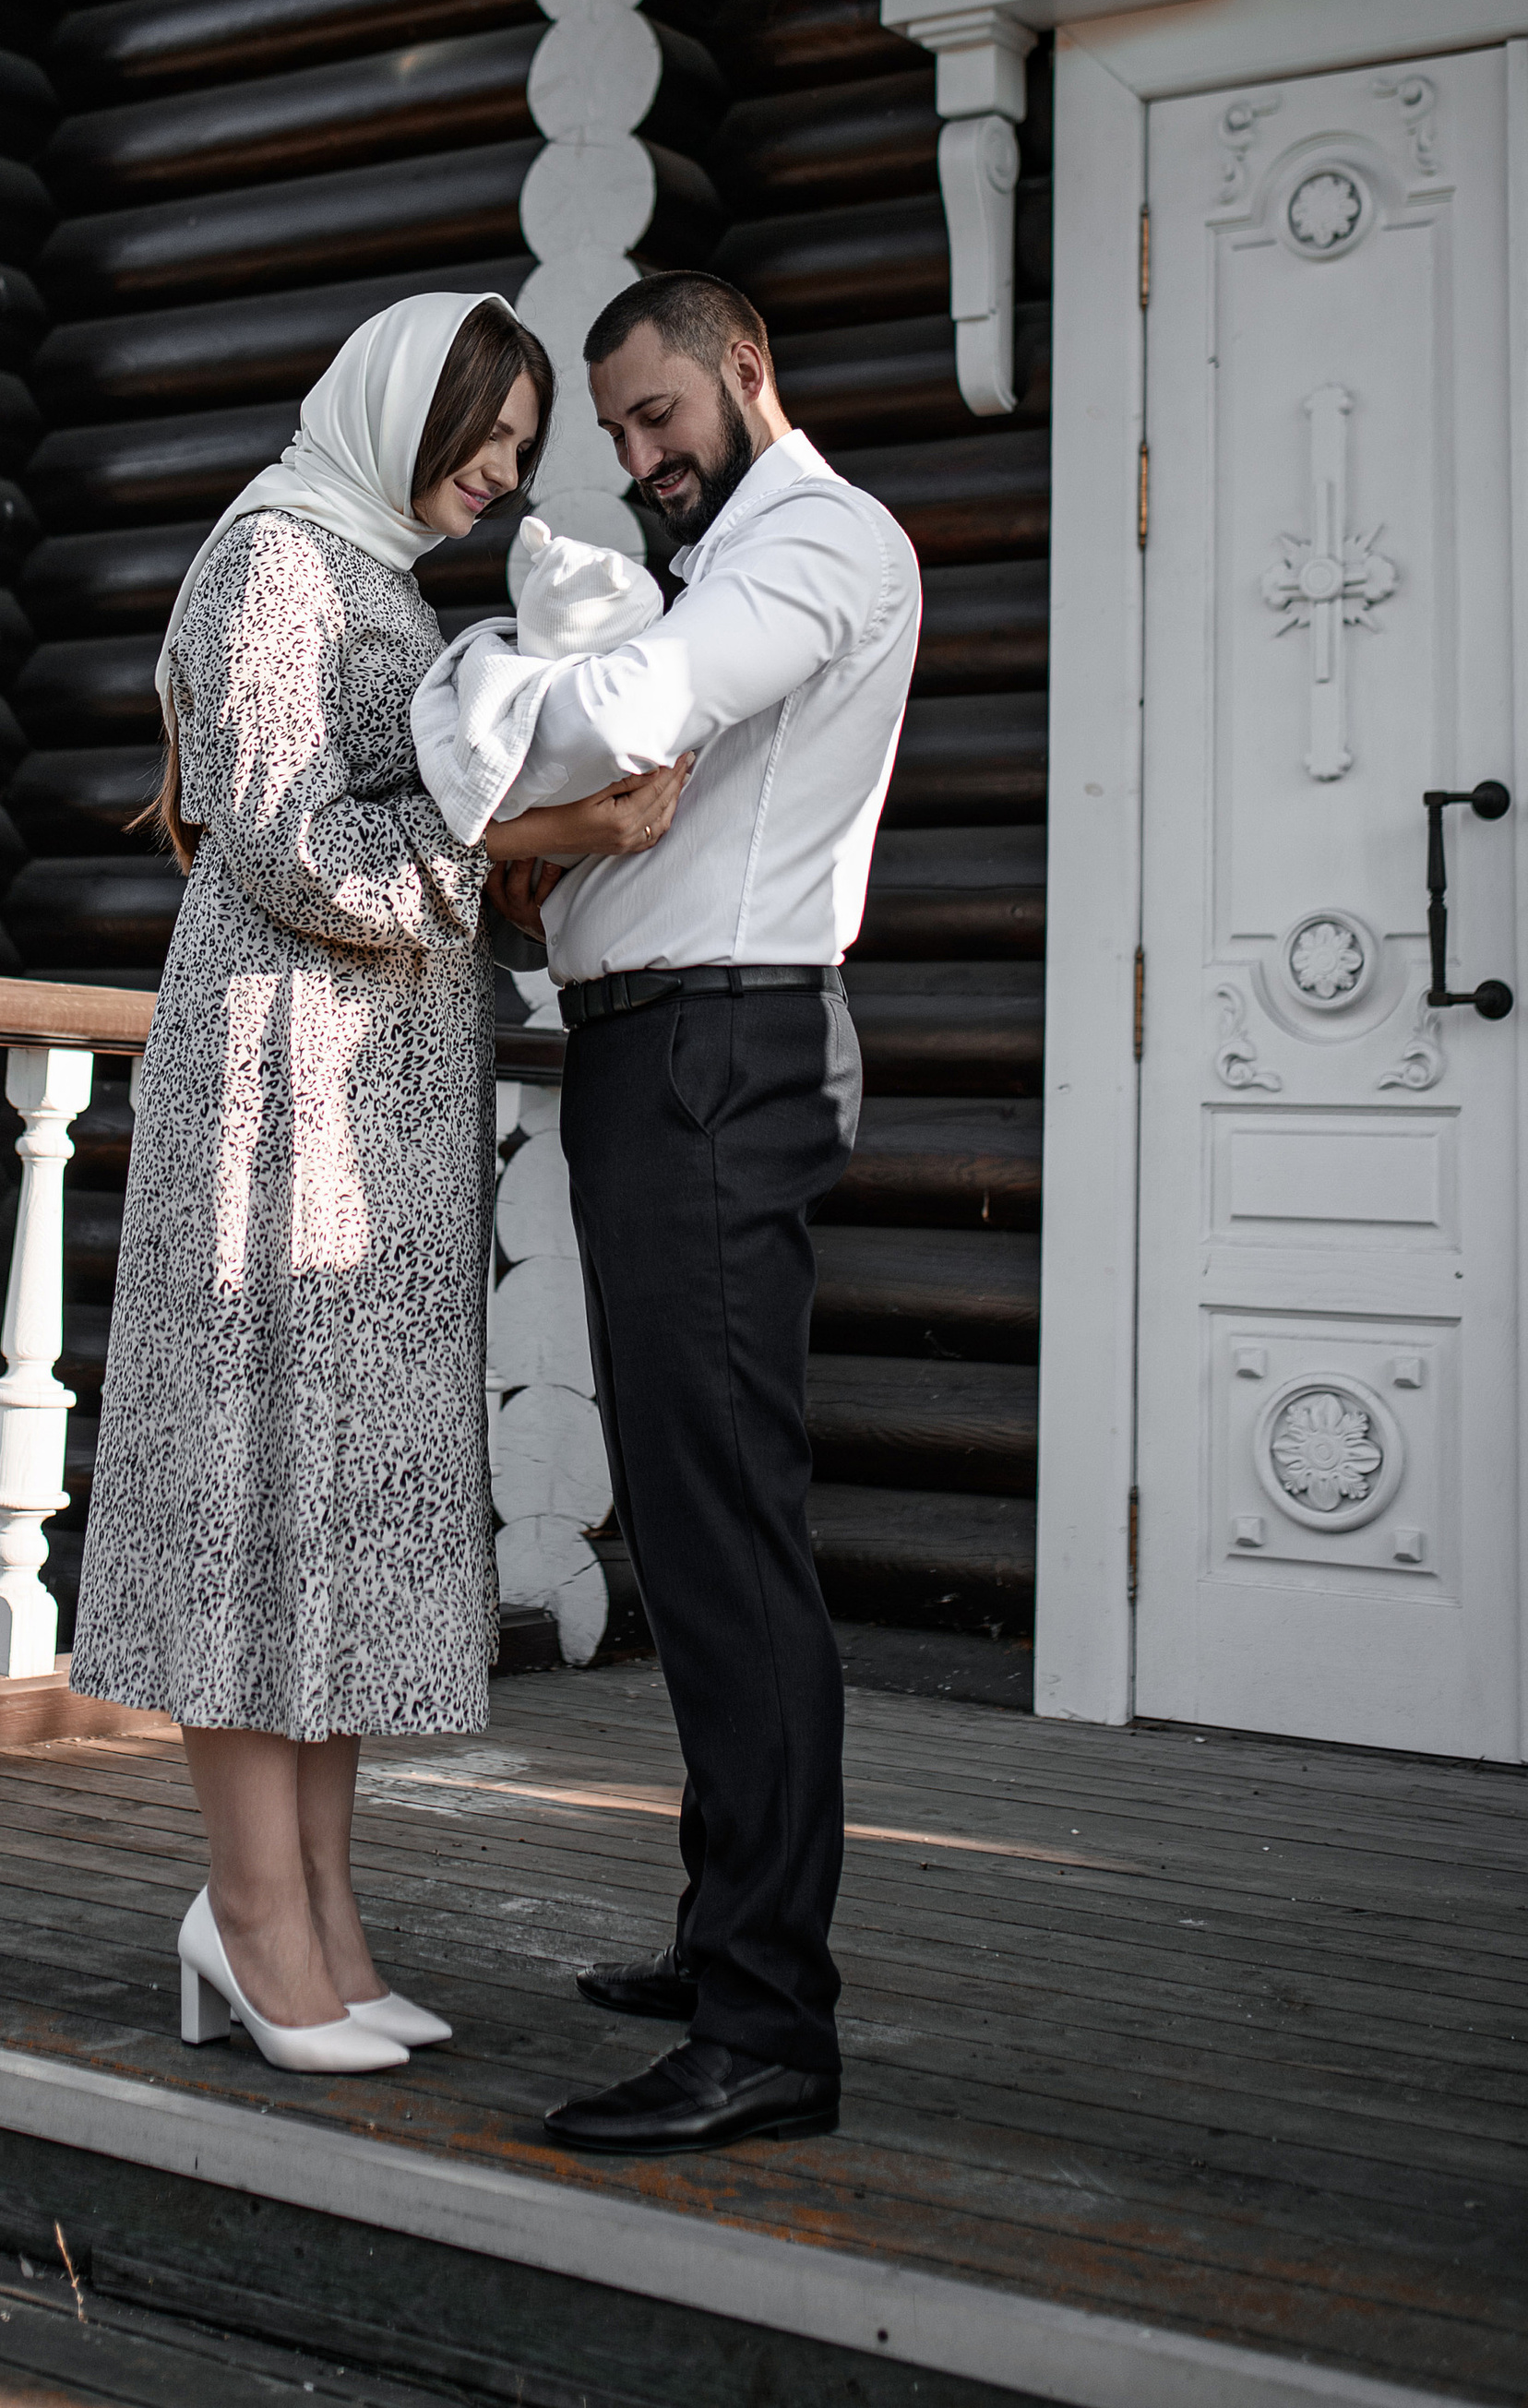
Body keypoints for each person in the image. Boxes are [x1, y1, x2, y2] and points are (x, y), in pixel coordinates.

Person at [68, 289, 687, 2077]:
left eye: (512, 458)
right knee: (266, 1496)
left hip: (373, 1095)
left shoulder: (379, 580)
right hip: (271, 1096)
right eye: (479, 447)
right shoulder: (275, 560)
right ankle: (252, 1914)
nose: (497, 482)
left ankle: (322, 1915)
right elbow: (285, 841)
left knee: (333, 1511)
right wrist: (525, 827)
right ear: (396, 410)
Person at [487, 271, 920, 2156]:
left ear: (746, 371)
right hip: (658, 1055)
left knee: (726, 1529)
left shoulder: (815, 544)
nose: (636, 461)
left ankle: (766, 2029)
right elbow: (635, 819)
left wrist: (469, 760)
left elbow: (636, 714)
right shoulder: (728, 555)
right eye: (614, 436)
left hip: (718, 1065)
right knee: (684, 1512)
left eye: (657, 416)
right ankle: (717, 1933)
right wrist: (547, 886)